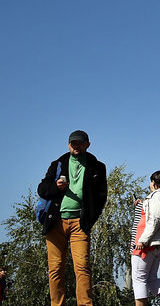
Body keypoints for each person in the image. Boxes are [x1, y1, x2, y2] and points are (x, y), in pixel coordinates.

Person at [37, 130, 108, 306]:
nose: (76, 146)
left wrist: (90, 218)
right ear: (68, 145)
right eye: (72, 143)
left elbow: (101, 196)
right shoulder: (58, 164)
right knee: (55, 269)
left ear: (87, 145)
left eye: (79, 143)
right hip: (56, 222)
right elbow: (42, 189)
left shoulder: (98, 167)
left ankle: (85, 304)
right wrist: (56, 187)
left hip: (80, 223)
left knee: (82, 267)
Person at [131, 171, 160, 306]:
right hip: (154, 245)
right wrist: (142, 205)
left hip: (146, 245)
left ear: (154, 182)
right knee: (151, 279)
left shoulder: (157, 197)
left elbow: (155, 219)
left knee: (139, 279)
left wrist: (142, 240)